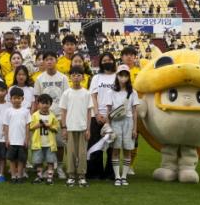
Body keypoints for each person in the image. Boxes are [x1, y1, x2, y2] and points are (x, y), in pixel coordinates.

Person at [33, 51, 70, 179]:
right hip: (44, 118)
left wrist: (65, 119)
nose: (49, 61)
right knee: (45, 144)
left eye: (51, 59)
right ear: (43, 62)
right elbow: (37, 99)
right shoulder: (39, 78)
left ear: (56, 60)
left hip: (59, 116)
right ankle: (47, 168)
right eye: (46, 59)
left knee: (59, 144)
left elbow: (67, 98)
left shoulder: (63, 78)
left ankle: (59, 168)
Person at [106, 65, 140, 186]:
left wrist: (135, 129)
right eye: (121, 75)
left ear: (129, 77)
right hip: (115, 122)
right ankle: (117, 177)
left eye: (126, 75)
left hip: (128, 122)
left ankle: (124, 177)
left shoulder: (133, 92)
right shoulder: (111, 92)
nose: (123, 77)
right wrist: (108, 127)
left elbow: (135, 112)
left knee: (127, 149)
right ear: (117, 76)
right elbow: (108, 110)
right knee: (115, 149)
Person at [59, 66, 93, 187]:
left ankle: (82, 176)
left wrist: (88, 129)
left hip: (83, 128)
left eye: (79, 75)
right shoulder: (66, 93)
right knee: (71, 153)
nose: (76, 77)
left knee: (82, 154)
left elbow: (89, 112)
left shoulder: (86, 93)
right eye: (73, 75)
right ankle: (71, 176)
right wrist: (64, 128)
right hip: (70, 128)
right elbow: (63, 112)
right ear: (70, 77)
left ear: (83, 77)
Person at [88, 51, 116, 180]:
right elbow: (93, 96)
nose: (107, 62)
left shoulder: (117, 77)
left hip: (114, 117)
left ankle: (110, 173)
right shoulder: (96, 78)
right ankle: (95, 173)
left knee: (112, 146)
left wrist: (110, 117)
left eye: (109, 60)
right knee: (95, 145)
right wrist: (97, 113)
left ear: (113, 61)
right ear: (101, 63)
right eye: (104, 61)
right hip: (97, 116)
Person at [29, 93, 59, 185]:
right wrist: (37, 125)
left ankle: (50, 178)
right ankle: (39, 176)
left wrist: (50, 126)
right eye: (42, 103)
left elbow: (56, 128)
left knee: (50, 161)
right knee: (38, 161)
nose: (45, 105)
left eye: (47, 103)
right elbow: (30, 127)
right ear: (38, 104)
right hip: (38, 143)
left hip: (50, 144)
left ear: (50, 104)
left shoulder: (52, 116)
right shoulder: (35, 115)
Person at [3, 87, 30, 183]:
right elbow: (6, 126)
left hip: (21, 141)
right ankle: (13, 176)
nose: (16, 100)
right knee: (12, 159)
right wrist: (6, 139)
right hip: (12, 140)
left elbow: (27, 126)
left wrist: (27, 139)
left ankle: (20, 175)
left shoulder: (26, 111)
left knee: (21, 159)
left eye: (19, 98)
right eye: (14, 98)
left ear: (22, 99)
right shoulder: (8, 111)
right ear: (11, 99)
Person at [120, 45, 141, 174]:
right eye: (126, 55)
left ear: (135, 57)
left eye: (132, 55)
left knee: (134, 139)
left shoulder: (140, 71)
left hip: (135, 109)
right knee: (117, 140)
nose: (129, 57)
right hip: (120, 110)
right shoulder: (118, 72)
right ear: (122, 57)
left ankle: (130, 165)